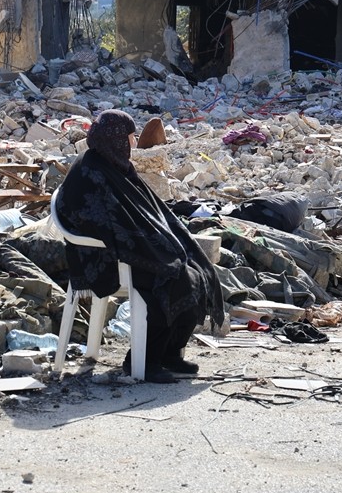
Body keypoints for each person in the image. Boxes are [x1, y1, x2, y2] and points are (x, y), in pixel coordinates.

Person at [55, 110, 225, 382]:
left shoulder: (111, 163)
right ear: (116, 139)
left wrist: (162, 235)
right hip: (99, 253)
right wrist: (147, 244)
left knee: (196, 268)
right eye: (130, 138)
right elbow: (103, 219)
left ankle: (170, 353)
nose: (134, 144)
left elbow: (140, 210)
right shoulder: (90, 172)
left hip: (120, 244)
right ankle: (143, 363)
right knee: (170, 276)